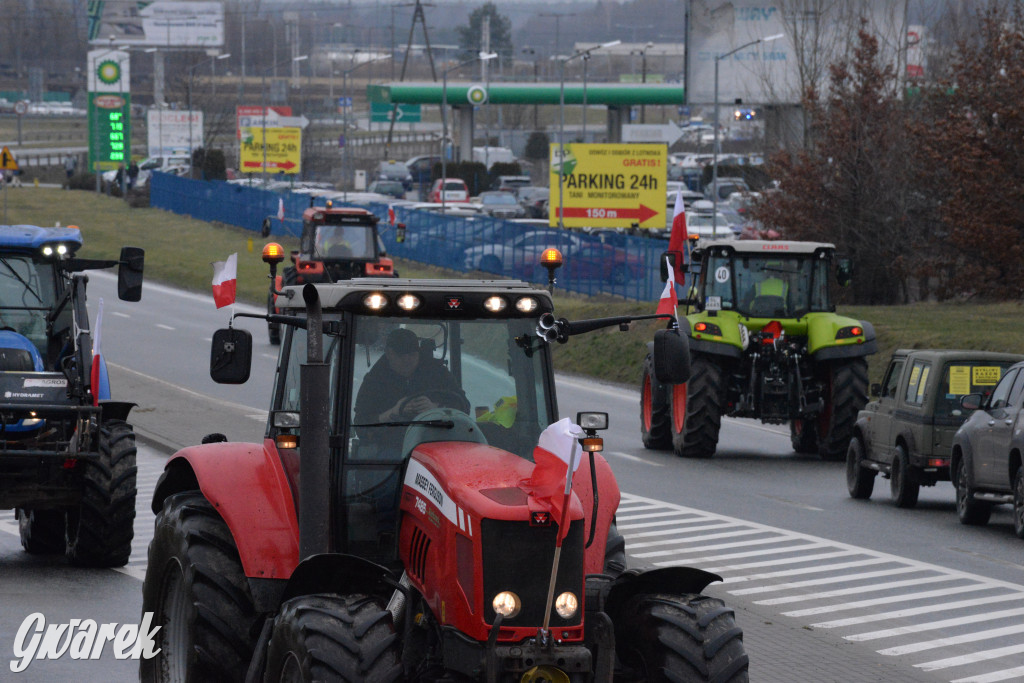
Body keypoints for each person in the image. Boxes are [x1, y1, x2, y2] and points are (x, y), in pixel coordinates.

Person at [354, 328, 468, 427]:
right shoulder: (375, 380)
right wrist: (393, 412)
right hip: (391, 443)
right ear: (389, 354)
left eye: (412, 355)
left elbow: (464, 406)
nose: (407, 360)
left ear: (419, 353)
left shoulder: (438, 373)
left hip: (436, 438)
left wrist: (437, 409)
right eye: (401, 356)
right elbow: (361, 424)